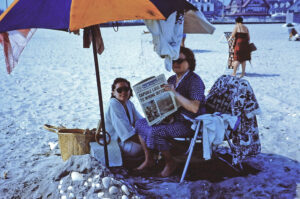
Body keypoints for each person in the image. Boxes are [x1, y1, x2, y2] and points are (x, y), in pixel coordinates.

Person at [135, 46, 206, 177]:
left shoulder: (195, 81)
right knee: (140, 124)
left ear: (189, 62)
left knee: (156, 132)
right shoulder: (172, 79)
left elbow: (194, 108)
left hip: (188, 123)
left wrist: (174, 93)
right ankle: (149, 159)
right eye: (173, 60)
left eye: (179, 60)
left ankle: (170, 161)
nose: (175, 64)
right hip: (172, 119)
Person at [105, 78, 143, 158]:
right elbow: (126, 133)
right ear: (113, 92)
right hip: (116, 142)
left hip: (127, 138)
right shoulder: (113, 104)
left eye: (126, 89)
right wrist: (145, 141)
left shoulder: (129, 103)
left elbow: (140, 121)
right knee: (141, 147)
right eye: (119, 90)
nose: (123, 92)